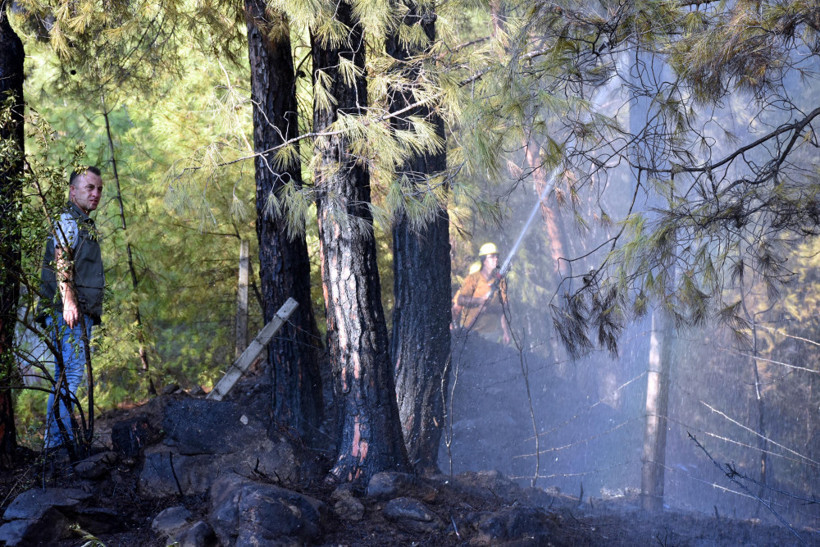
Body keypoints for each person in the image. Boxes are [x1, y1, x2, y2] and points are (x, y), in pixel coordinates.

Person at [37, 166, 105, 450]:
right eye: (89, 188)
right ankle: (56, 445)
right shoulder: (69, 219)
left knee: (64, 375)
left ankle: (54, 443)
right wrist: (69, 302)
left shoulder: (81, 222)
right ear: (73, 191)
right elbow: (61, 259)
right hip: (68, 313)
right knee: (72, 375)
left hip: (69, 311)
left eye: (99, 189)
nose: (96, 194)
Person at [454, 242, 511, 344]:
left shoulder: (500, 283)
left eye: (497, 256)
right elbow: (459, 302)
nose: (496, 259)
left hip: (491, 333)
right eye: (492, 257)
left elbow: (503, 308)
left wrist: (505, 331)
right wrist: (479, 301)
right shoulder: (472, 279)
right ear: (484, 260)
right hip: (470, 331)